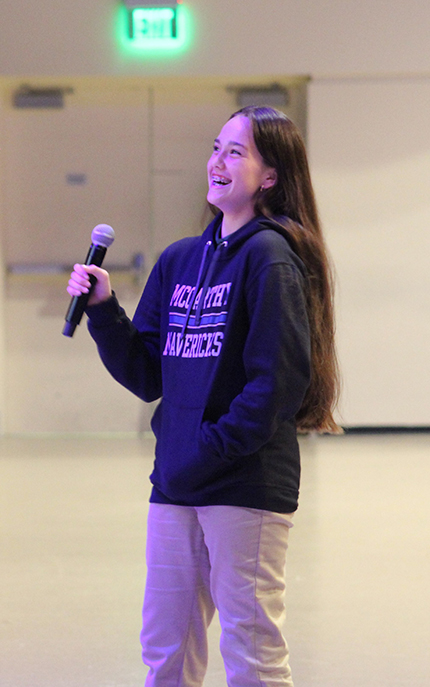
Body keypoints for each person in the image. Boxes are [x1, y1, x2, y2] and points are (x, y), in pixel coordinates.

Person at [67, 106, 340, 687]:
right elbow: (148, 375)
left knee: (252, 653)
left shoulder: (272, 258)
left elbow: (275, 386)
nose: (217, 161)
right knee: (165, 650)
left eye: (236, 152)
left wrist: (206, 449)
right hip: (175, 487)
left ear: (270, 176)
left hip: (243, 485)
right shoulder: (179, 260)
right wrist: (103, 310)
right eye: (216, 147)